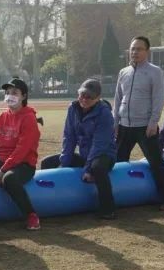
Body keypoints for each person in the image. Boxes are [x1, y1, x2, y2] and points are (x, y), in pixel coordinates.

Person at [41, 79, 118, 219]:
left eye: (90, 97)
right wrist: (64, 163)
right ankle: (50, 201)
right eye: (82, 95)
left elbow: (99, 144)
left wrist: (88, 170)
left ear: (98, 98)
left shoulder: (104, 114)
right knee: (47, 162)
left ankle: (108, 209)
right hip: (85, 155)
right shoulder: (73, 108)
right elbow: (69, 137)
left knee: (98, 168)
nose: (84, 99)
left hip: (103, 155)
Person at [0, 78, 42, 230]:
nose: (10, 96)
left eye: (15, 92)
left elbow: (22, 150)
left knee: (9, 179)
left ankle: (31, 215)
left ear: (24, 96)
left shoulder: (29, 118)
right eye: (7, 92)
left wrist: (3, 170)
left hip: (23, 165)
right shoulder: (2, 117)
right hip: (3, 162)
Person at [113, 36, 164, 210]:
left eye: (139, 49)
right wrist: (115, 122)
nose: (135, 52)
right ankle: (119, 197)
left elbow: (158, 98)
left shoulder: (155, 72)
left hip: (145, 127)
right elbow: (118, 98)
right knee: (118, 162)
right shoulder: (123, 72)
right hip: (124, 126)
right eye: (133, 49)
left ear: (147, 51)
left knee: (156, 163)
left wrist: (153, 122)